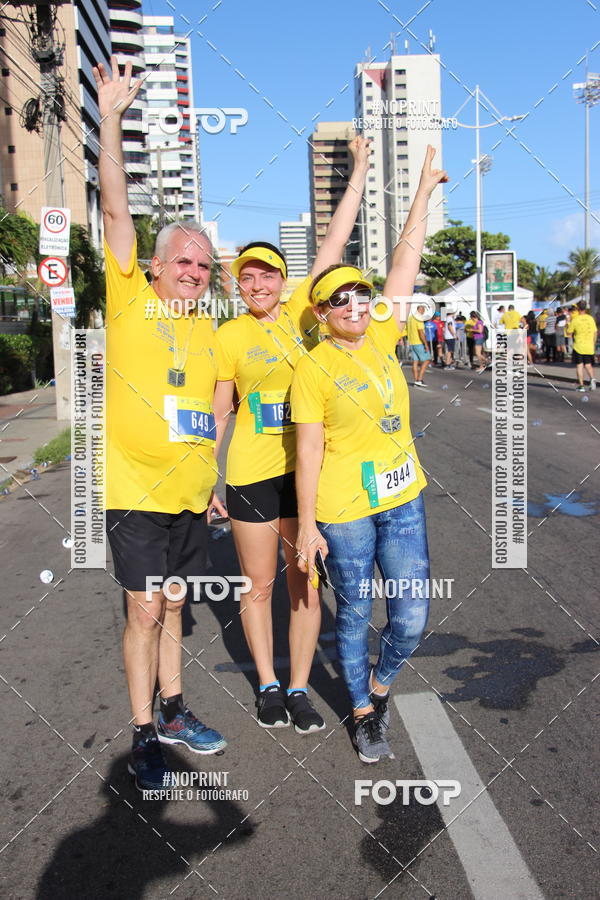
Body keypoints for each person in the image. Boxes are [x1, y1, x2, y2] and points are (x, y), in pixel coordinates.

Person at [94, 57, 226, 791]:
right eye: (183, 259)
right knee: (143, 610)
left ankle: (175, 709)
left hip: (187, 494)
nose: (193, 271)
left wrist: (211, 481)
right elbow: (116, 209)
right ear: (153, 263)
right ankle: (144, 730)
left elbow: (206, 411)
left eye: (204, 265)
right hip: (135, 490)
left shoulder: (204, 328)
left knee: (176, 603)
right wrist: (110, 117)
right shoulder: (128, 298)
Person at [292, 145, 448, 763]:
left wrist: (424, 191)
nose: (356, 303)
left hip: (402, 500)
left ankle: (380, 689)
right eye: (340, 299)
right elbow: (307, 452)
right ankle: (361, 714)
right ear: (322, 314)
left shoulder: (382, 331)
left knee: (410, 618)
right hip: (344, 509)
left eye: (361, 293)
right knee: (355, 617)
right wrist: (307, 525)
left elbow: (405, 259)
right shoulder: (313, 367)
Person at [213, 137, 372, 733]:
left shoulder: (309, 312)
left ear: (283, 279)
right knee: (258, 586)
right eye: (246, 277)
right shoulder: (229, 335)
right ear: (237, 284)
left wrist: (357, 169)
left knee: (304, 581)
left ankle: (302, 686)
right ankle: (269, 684)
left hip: (310, 473)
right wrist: (209, 473)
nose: (256, 284)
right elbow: (220, 411)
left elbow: (335, 239)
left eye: (266, 275)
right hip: (252, 471)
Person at [566, 301, 597, 392]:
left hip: (578, 346)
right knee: (588, 364)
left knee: (579, 365)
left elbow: (569, 332)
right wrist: (593, 343)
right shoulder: (590, 318)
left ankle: (581, 386)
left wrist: (568, 323)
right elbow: (595, 332)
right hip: (589, 346)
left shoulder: (575, 320)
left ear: (578, 309)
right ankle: (592, 379)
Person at [406, 304, 431, 385]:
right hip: (418, 342)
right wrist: (426, 344)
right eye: (423, 311)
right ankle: (419, 379)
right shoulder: (419, 318)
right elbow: (421, 332)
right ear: (421, 310)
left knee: (415, 361)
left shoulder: (410, 318)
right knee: (427, 360)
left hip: (411, 342)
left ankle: (416, 380)